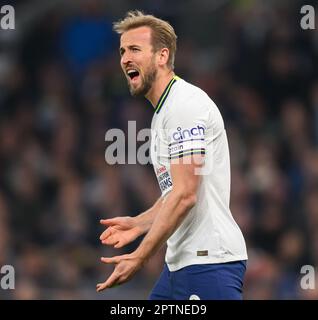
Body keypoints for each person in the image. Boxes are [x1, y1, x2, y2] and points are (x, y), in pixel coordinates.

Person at [96, 10, 248, 300]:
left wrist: (140, 257)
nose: (125, 58)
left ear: (162, 56)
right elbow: (174, 191)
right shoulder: (164, 112)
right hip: (180, 265)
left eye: (135, 49)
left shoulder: (184, 105)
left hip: (207, 262)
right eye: (122, 51)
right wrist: (139, 223)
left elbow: (186, 195)